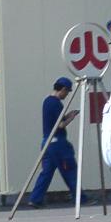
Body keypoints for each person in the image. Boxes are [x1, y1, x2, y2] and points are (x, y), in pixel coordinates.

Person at [25, 78, 78, 209]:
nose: (67, 95)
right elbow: (60, 125)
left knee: (46, 172)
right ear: (63, 89)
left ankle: (35, 199)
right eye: (67, 92)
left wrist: (66, 115)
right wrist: (71, 118)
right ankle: (80, 198)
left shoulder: (47, 101)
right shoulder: (56, 103)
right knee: (70, 169)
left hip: (47, 142)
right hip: (58, 143)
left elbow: (54, 120)